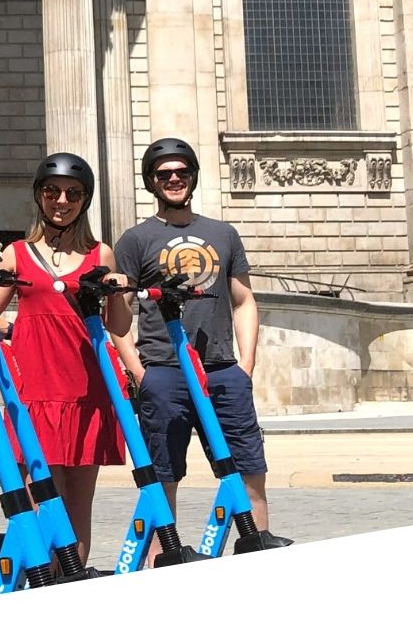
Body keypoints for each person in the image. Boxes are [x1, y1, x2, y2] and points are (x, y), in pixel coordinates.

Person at [114, 137, 293, 552]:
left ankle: (256, 547)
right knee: (163, 476)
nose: (174, 179)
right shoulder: (135, 240)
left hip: (221, 370)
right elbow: (118, 313)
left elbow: (244, 300)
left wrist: (244, 365)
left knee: (249, 466)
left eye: (181, 172)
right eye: (164, 174)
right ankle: (164, 561)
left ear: (193, 176)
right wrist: (138, 370)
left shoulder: (222, 233)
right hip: (163, 372)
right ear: (151, 182)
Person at [0, 152, 138, 568]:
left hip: (87, 389)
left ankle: (69, 588)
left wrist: (119, 290)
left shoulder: (100, 252)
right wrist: (8, 340)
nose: (62, 200)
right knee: (43, 500)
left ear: (84, 200)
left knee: (77, 506)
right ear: (39, 195)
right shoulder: (16, 253)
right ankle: (39, 581)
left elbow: (118, 325)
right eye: (52, 191)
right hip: (36, 390)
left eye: (73, 193)